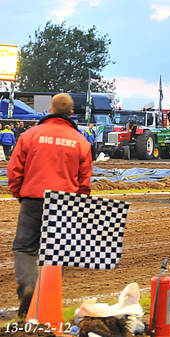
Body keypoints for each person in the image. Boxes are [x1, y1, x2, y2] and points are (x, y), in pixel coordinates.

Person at [8, 93, 93, 317]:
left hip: (33, 199)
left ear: (50, 110)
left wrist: (21, 194)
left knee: (24, 248)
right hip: (64, 203)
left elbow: (14, 170)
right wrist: (79, 202)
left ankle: (28, 287)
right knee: (56, 254)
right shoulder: (81, 141)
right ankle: (46, 303)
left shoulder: (30, 135)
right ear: (71, 113)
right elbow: (85, 181)